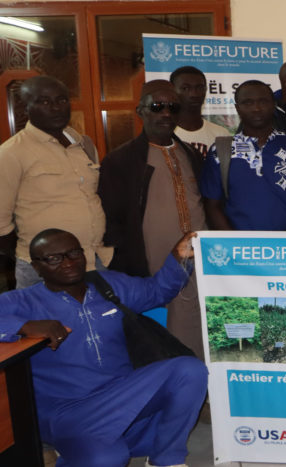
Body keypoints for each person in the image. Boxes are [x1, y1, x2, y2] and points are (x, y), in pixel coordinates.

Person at [0, 229, 206, 467]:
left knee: (189, 370)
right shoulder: (22, 302)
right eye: (54, 258)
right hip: (67, 411)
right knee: (109, 459)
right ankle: (79, 447)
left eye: (73, 253)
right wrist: (24, 325)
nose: (67, 262)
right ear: (36, 266)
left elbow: (158, 291)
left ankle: (165, 459)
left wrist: (179, 258)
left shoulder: (109, 285)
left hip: (120, 396)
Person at [98, 80, 207, 357]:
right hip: (151, 260)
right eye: (157, 106)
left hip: (200, 258)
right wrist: (126, 261)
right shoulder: (120, 161)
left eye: (173, 107)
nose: (166, 113)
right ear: (140, 111)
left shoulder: (190, 154)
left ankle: (204, 387)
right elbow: (111, 219)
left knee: (201, 319)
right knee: (164, 328)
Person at [0, 75, 111, 288]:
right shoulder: (11, 152)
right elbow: (1, 224)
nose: (56, 107)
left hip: (94, 261)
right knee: (47, 323)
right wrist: (36, 260)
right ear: (26, 108)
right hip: (45, 271)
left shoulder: (84, 145)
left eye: (61, 100)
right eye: (44, 101)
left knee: (100, 321)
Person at [202, 80, 286, 231]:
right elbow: (212, 205)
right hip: (241, 247)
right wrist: (233, 244)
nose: (256, 108)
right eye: (248, 103)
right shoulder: (221, 150)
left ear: (273, 105)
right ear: (237, 108)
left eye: (263, 101)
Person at [170, 65, 231, 158]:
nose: (193, 94)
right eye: (185, 88)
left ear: (206, 90)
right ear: (172, 91)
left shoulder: (221, 134)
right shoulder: (165, 134)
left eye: (199, 88)